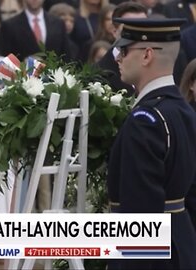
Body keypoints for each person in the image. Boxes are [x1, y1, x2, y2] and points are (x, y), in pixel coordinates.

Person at [107, 17, 196, 269]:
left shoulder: (145, 119)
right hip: (181, 243)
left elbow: (141, 211)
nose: (117, 58)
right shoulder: (183, 110)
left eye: (123, 50)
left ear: (147, 55)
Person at [95, 2, 147, 96]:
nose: (138, 35)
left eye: (143, 28)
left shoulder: (157, 67)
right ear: (114, 32)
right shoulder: (98, 77)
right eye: (130, 30)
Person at [0, 0, 72, 62]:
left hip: (54, 76)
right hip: (23, 76)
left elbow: (66, 56)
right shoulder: (9, 26)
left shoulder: (58, 23)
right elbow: (6, 59)